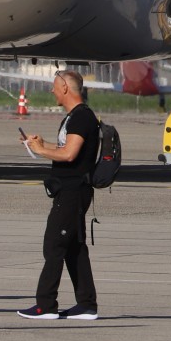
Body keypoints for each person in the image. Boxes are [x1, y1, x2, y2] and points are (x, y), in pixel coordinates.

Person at [17, 70, 101, 320]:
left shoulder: (81, 118)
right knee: (74, 247)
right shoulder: (75, 117)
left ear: (65, 88)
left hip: (73, 192)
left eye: (54, 86)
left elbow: (69, 155)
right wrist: (40, 145)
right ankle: (86, 304)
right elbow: (65, 149)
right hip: (71, 190)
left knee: (54, 245)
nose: (52, 91)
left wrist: (42, 151)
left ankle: (46, 305)